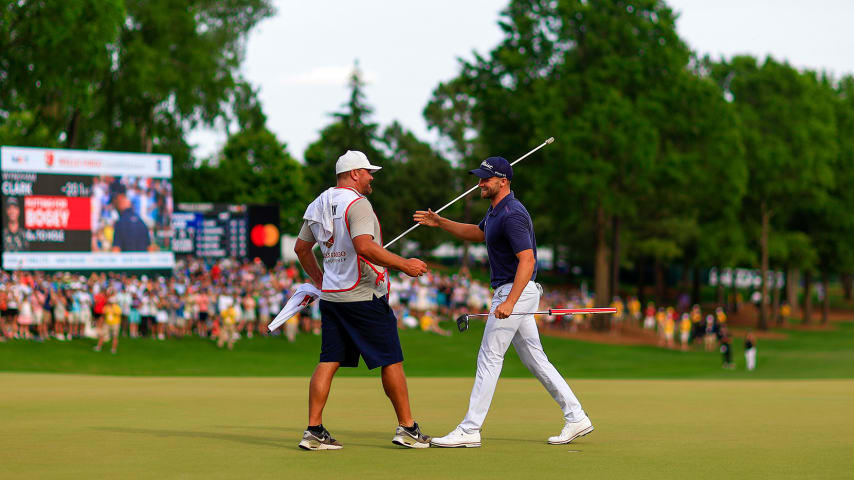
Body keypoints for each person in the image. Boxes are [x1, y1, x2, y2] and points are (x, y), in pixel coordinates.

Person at [414, 155, 592, 448]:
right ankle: (576, 416)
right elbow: (477, 232)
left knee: (490, 356)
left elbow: (528, 259)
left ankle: (470, 428)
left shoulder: (512, 213)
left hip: (515, 290)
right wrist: (440, 222)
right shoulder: (495, 211)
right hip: (513, 290)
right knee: (535, 358)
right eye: (480, 177)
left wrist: (510, 301)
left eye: (485, 178)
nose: (480, 183)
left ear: (503, 181)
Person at [293, 150, 431, 450]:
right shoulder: (358, 204)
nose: (371, 177)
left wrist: (320, 280)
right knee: (390, 360)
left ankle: (313, 430)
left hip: (333, 297)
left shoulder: (318, 203)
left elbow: (301, 248)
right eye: (368, 172)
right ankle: (407, 428)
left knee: (328, 361)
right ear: (353, 173)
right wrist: (404, 264)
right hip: (363, 295)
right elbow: (364, 247)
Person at [109, 181, 152, 252]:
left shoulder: (120, 224)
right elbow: (150, 250)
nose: (113, 206)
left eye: (113, 202)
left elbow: (116, 252)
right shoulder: (142, 223)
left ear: (118, 199)